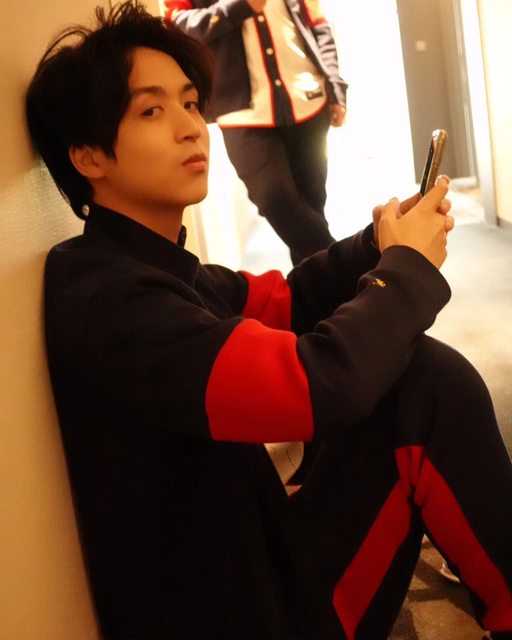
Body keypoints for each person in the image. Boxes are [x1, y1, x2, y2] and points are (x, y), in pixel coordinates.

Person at [25, 2, 512, 639]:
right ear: (88, 157)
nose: (191, 127)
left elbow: (286, 300)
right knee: (425, 389)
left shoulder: (144, 266)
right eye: (151, 110)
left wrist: (374, 244)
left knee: (420, 378)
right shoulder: (111, 302)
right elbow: (317, 389)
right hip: (245, 614)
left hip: (251, 554)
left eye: (190, 102)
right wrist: (408, 269)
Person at [165, 0, 347, 265]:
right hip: (241, 114)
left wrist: (335, 86)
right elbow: (179, 29)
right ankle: (352, 267)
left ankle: (319, 285)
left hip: (309, 100)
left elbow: (318, 25)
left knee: (312, 204)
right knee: (277, 202)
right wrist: (238, 7)